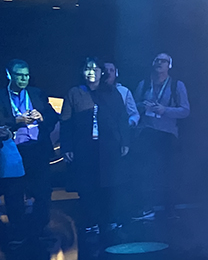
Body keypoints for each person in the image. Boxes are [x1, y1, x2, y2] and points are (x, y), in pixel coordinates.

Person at [61, 58, 130, 234]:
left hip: (108, 146)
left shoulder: (112, 92)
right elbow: (66, 122)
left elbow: (122, 118)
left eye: (95, 69)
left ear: (101, 72)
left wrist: (125, 141)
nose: (91, 72)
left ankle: (109, 220)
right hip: (84, 146)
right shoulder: (75, 92)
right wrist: (66, 146)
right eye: (87, 69)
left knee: (109, 184)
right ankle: (92, 221)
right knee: (87, 186)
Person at [0, 59, 58, 243]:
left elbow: (52, 116)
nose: (24, 79)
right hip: (13, 151)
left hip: (37, 150)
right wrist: (16, 121)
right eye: (19, 75)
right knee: (14, 194)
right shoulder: (2, 96)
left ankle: (39, 229)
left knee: (42, 192)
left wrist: (41, 117)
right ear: (9, 75)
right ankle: (18, 232)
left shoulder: (36, 93)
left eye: (26, 75)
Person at [132, 53, 190, 220]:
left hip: (167, 134)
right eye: (157, 60)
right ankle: (146, 208)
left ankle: (169, 209)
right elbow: (132, 107)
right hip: (147, 132)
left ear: (169, 65)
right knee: (145, 172)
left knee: (168, 173)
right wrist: (142, 106)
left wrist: (165, 110)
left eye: (164, 61)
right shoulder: (144, 84)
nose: (159, 63)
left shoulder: (177, 85)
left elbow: (185, 110)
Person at [103, 60, 140, 128]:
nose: (108, 73)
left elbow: (134, 115)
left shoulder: (124, 91)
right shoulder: (95, 90)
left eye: (111, 70)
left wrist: (127, 124)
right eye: (105, 70)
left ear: (116, 73)